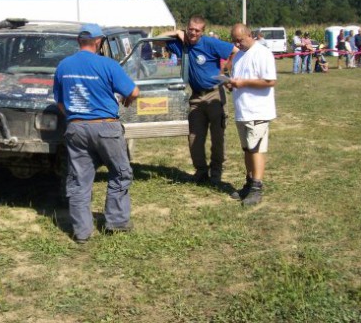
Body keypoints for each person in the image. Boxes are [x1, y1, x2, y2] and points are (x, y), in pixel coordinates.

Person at [53, 23, 139, 244]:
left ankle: (82, 231)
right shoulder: (107, 64)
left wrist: (76, 116)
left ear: (78, 41)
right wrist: (128, 99)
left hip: (76, 127)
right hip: (106, 126)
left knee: (79, 180)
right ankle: (117, 222)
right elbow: (134, 91)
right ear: (99, 42)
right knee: (120, 172)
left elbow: (60, 102)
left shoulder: (63, 66)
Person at [157, 16, 238, 185]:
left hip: (215, 94)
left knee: (217, 137)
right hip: (195, 96)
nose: (193, 33)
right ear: (186, 28)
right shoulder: (182, 44)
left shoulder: (210, 43)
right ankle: (201, 171)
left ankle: (216, 172)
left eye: (197, 30)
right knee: (194, 137)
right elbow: (156, 41)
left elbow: (235, 51)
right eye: (190, 29)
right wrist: (176, 32)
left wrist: (226, 68)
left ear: (202, 32)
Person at [227, 24, 277, 206]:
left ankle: (257, 187)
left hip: (258, 111)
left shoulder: (262, 53)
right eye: (234, 41)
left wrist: (244, 82)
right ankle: (249, 183)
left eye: (239, 40)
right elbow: (240, 79)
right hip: (243, 111)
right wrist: (231, 84)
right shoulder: (239, 55)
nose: (237, 44)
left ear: (250, 35)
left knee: (256, 149)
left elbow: (270, 80)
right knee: (247, 149)